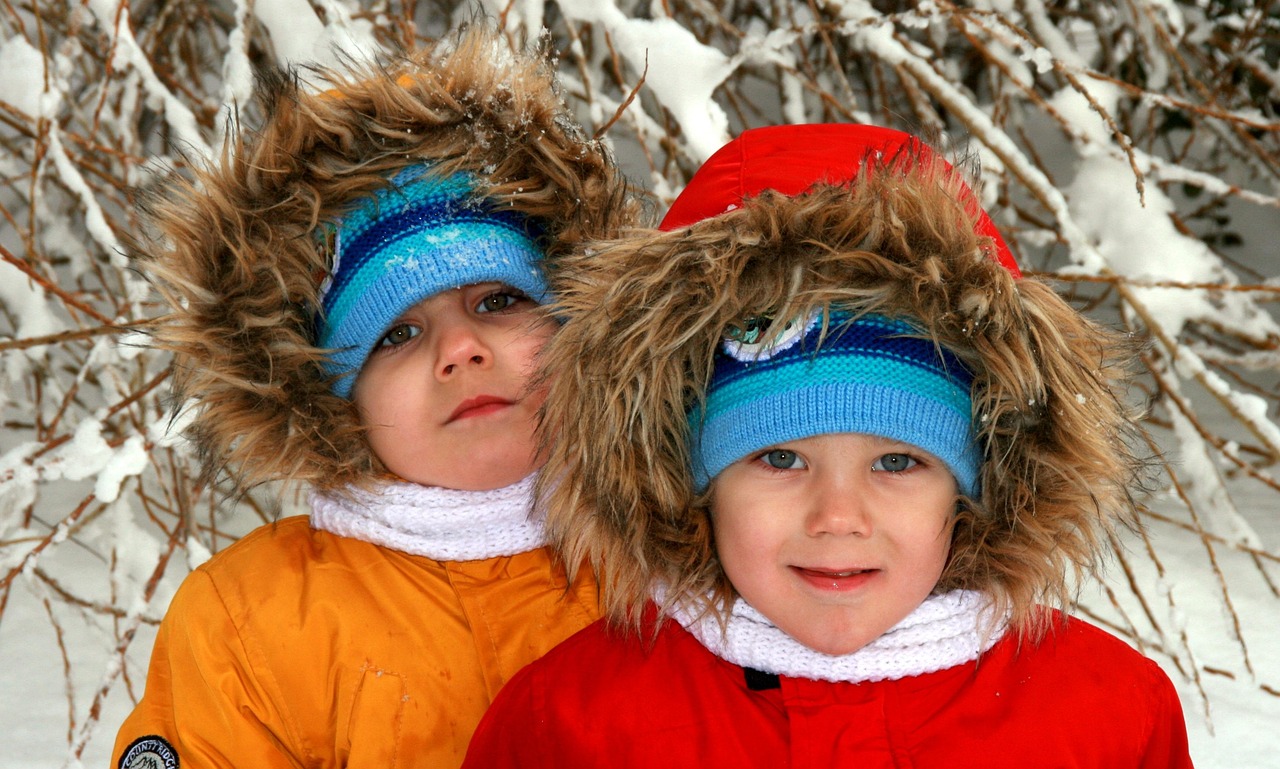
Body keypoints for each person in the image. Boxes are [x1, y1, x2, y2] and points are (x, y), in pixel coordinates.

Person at [462, 123, 1193, 768]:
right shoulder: (573, 723)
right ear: (688, 479)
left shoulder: (1109, 717)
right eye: (779, 457)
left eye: (898, 460)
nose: (838, 516)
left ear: (981, 485)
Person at [111, 25, 634, 769]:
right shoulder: (255, 621)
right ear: (331, 400)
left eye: (496, 301)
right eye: (396, 334)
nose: (461, 349)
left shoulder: (671, 553)